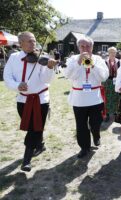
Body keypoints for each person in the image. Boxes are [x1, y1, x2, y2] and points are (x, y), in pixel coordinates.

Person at [3, 31, 56, 171]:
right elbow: (7, 77)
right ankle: (40, 144)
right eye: (30, 41)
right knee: (33, 126)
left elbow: (46, 80)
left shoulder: (41, 58)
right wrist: (17, 86)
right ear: (20, 44)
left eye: (34, 41)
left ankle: (26, 160)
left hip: (41, 98)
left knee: (33, 128)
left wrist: (50, 67)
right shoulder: (13, 58)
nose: (34, 44)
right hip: (22, 99)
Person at [64, 36, 109, 158]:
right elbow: (68, 75)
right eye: (82, 46)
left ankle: (96, 135)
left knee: (96, 122)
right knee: (81, 125)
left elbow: (104, 76)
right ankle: (84, 147)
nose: (85, 49)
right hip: (79, 98)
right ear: (78, 47)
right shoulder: (72, 59)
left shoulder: (98, 59)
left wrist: (93, 65)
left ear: (92, 47)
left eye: (88, 46)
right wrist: (78, 63)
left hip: (95, 97)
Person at [103, 46, 121, 121]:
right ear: (108, 53)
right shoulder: (105, 61)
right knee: (107, 97)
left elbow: (120, 72)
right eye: (111, 52)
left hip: (116, 81)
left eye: (114, 52)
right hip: (107, 81)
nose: (113, 54)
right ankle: (107, 114)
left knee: (116, 97)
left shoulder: (119, 61)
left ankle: (115, 112)